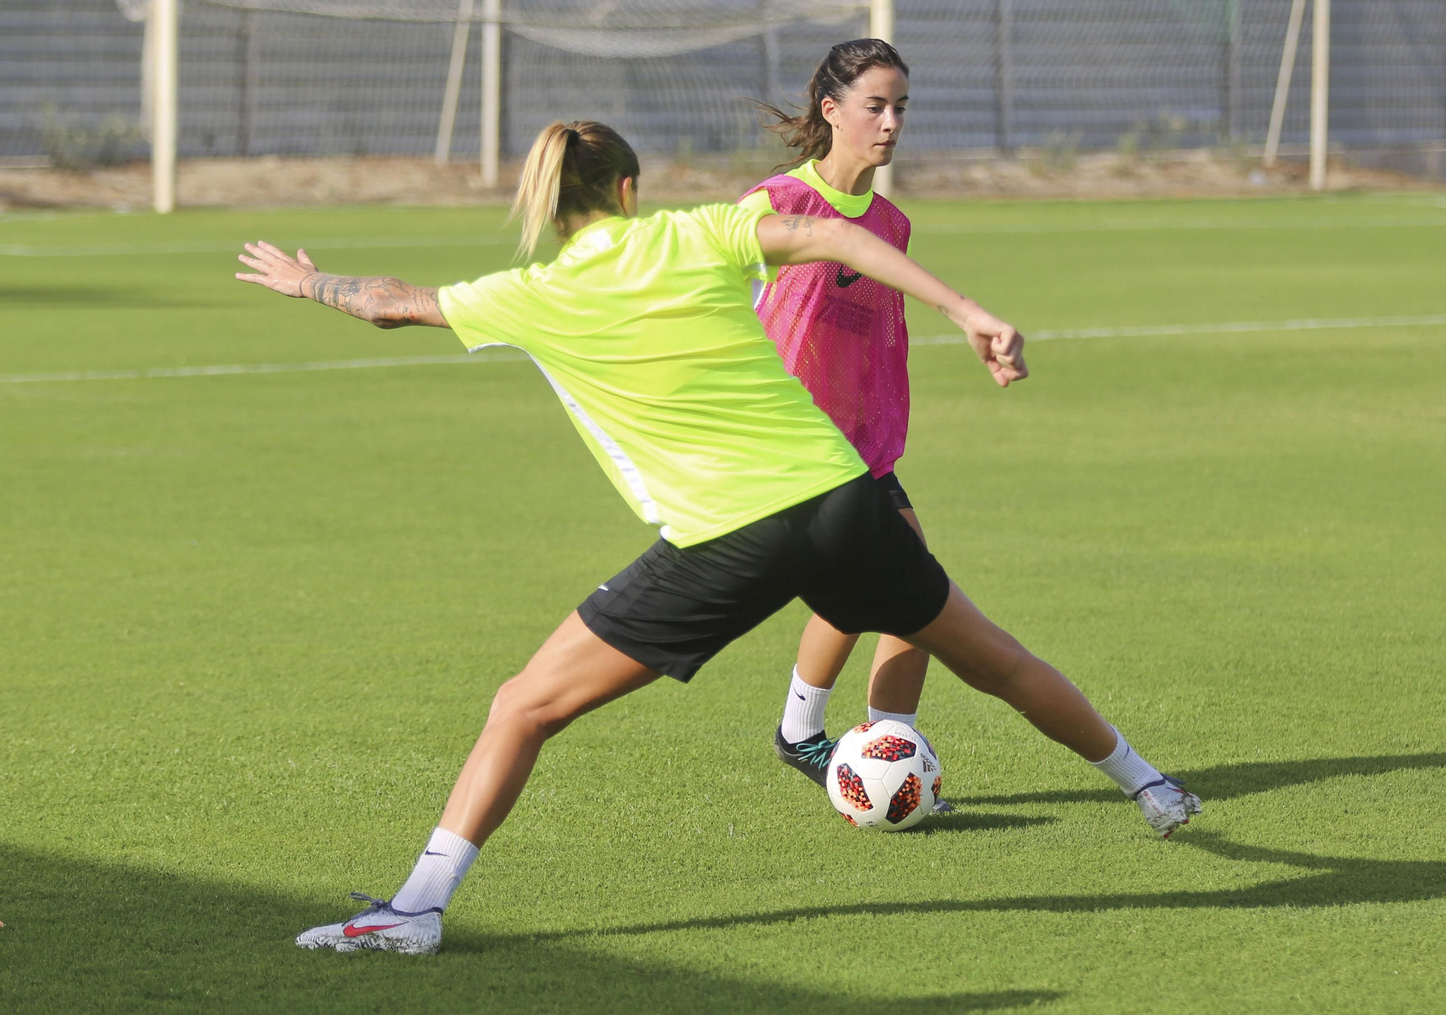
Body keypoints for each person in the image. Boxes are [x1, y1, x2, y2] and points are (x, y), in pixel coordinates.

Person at [235, 119, 1201, 956]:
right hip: (840, 497)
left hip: (727, 537)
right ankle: (1152, 787)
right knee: (996, 659)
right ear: (629, 189)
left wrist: (309, 283)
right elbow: (834, 234)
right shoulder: (694, 232)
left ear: (552, 204)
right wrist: (968, 310)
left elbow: (390, 301)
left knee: (524, 706)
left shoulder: (528, 293)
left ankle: (416, 910)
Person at [740, 39, 946, 794]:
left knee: (909, 587)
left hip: (857, 447)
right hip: (789, 447)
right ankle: (839, 741)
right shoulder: (777, 204)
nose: (891, 123)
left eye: (901, 108)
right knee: (899, 586)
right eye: (875, 106)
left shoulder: (891, 224)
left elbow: (871, 338)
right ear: (831, 110)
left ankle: (863, 747)